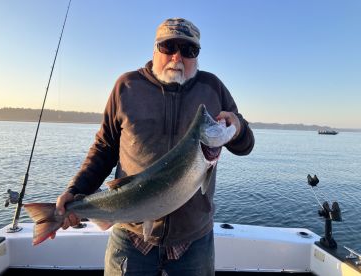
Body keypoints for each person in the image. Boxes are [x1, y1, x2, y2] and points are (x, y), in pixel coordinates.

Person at [54, 18, 255, 276]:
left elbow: (245, 145)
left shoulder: (212, 88)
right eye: (168, 47)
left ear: (197, 55)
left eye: (188, 50)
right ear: (154, 49)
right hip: (130, 236)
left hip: (193, 240)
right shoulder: (126, 87)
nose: (177, 57)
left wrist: (237, 127)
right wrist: (76, 190)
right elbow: (104, 149)